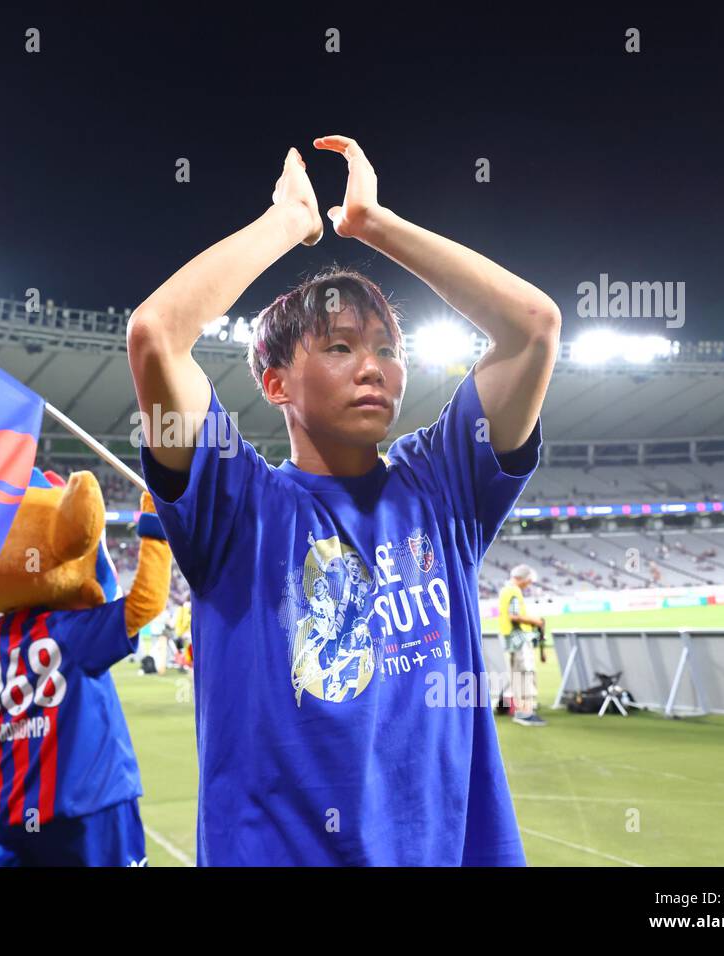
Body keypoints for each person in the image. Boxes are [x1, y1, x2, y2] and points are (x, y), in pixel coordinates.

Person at [126, 136, 560, 865]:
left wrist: (374, 223)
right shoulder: (239, 508)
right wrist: (288, 222)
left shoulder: (441, 487)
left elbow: (533, 329)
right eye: (338, 347)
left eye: (388, 349)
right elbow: (156, 335)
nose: (375, 368)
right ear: (275, 385)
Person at [498, 564, 547, 726]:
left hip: (510, 640)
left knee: (517, 677)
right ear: (523, 578)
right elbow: (514, 616)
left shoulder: (505, 590)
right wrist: (536, 621)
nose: (530, 584)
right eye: (529, 580)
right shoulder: (513, 591)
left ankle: (521, 711)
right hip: (519, 640)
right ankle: (526, 712)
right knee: (526, 674)